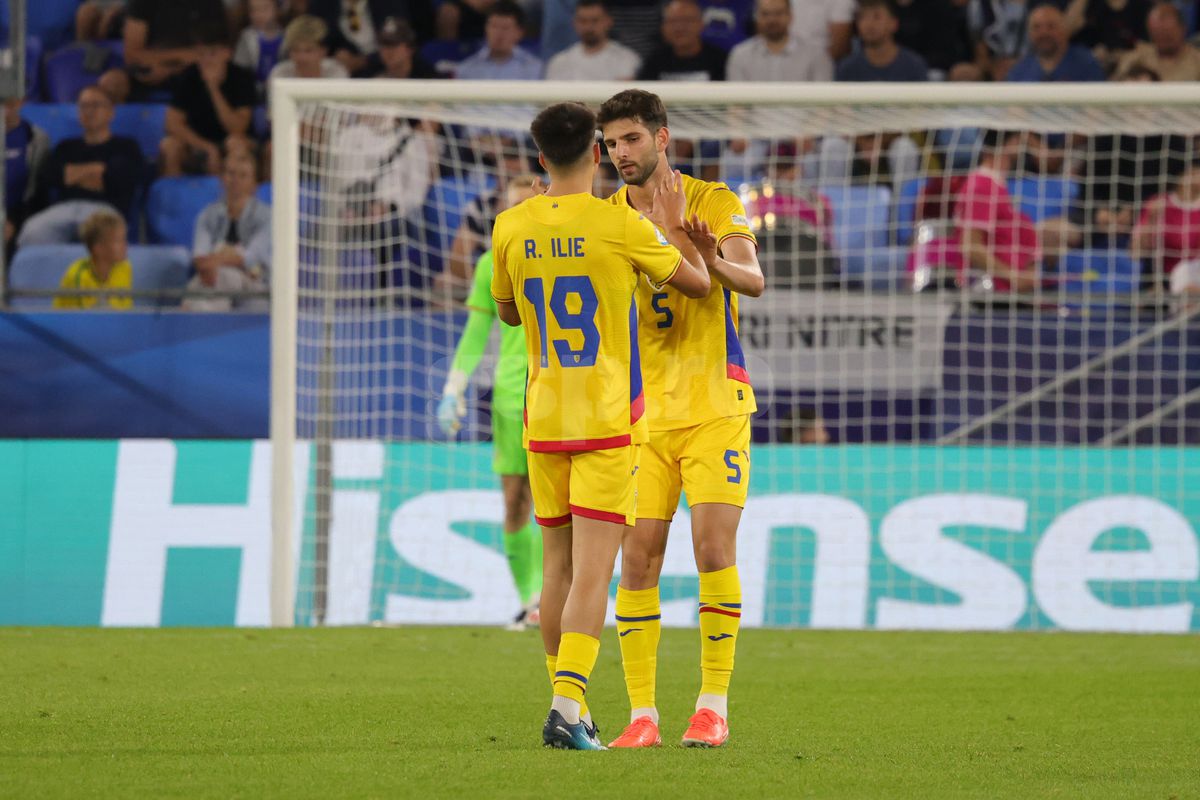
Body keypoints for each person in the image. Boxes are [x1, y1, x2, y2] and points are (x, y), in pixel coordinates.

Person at [490, 101, 710, 750]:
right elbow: (696, 286)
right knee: (593, 575)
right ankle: (567, 705)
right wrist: (671, 233)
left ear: (539, 160)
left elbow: (506, 314)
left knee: (554, 572)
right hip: (609, 421)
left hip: (544, 417)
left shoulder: (510, 225)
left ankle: (571, 705)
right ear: (595, 153)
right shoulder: (621, 226)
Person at [597, 88, 764, 749]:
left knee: (712, 548)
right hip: (643, 415)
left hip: (717, 404)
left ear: (661, 138)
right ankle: (642, 717)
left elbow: (753, 281)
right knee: (638, 560)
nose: (620, 154)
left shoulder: (714, 201)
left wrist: (710, 256)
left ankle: (712, 705)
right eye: (611, 144)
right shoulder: (604, 218)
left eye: (631, 139)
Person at [438, 176, 545, 629]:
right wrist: (452, 388)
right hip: (509, 398)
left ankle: (569, 598)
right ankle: (532, 600)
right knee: (516, 501)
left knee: (569, 505)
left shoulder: (568, 257)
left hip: (562, 395)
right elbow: (475, 334)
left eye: (523, 207)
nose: (514, 217)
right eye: (509, 208)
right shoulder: (490, 264)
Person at [18, 87, 143, 248]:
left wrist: (72, 175)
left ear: (111, 112)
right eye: (84, 106)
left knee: (102, 240)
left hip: (105, 211)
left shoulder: (126, 146)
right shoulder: (66, 146)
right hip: (64, 209)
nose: (89, 111)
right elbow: (49, 177)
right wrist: (97, 170)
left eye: (96, 105)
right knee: (32, 232)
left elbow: (118, 180)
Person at [182, 151, 271, 312]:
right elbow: (199, 256)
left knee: (221, 278)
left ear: (255, 184)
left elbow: (248, 258)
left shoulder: (267, 218)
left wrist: (214, 261)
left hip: (255, 285)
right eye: (230, 173)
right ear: (222, 179)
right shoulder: (207, 215)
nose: (235, 180)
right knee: (194, 290)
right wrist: (213, 263)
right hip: (211, 278)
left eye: (243, 175)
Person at [99, 0, 228, 103]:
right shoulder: (141, 2)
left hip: (195, 68)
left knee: (214, 73)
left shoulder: (211, 2)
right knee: (111, 81)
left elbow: (218, 50)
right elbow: (132, 54)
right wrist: (182, 56)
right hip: (151, 66)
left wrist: (170, 68)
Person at [161, 38, 257, 177]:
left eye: (212, 53)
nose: (206, 60)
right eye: (201, 54)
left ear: (227, 53)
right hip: (197, 140)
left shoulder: (242, 78)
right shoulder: (189, 76)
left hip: (233, 139)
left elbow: (237, 128)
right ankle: (173, 197)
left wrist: (213, 88)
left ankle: (228, 195)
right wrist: (207, 147)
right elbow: (172, 123)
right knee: (170, 146)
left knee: (235, 144)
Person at [309, 0, 437, 75]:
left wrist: (365, 61)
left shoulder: (389, 3)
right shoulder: (322, 4)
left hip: (383, 66)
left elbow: (403, 37)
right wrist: (338, 56)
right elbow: (316, 39)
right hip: (338, 70)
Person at [1131, 160, 1200, 294]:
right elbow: (1136, 252)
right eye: (1195, 172)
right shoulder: (1158, 204)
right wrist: (1151, 220)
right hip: (1162, 280)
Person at [727, 0, 832, 81]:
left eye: (778, 13)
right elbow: (736, 105)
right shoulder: (740, 55)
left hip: (801, 110)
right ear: (756, 17)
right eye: (765, 14)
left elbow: (825, 104)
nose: (772, 20)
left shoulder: (816, 55)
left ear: (790, 16)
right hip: (755, 110)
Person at [53, 210, 133, 310]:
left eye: (124, 239)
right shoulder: (77, 276)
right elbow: (84, 322)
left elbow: (124, 314)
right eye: (118, 241)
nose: (125, 245)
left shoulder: (125, 268)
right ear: (98, 248)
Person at [545, 0, 641, 81]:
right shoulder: (559, 62)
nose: (588, 27)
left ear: (608, 21)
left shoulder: (627, 59)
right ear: (574, 23)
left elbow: (625, 101)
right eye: (583, 21)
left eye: (595, 21)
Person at [1006, 4, 1105, 82]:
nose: (1044, 33)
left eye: (1051, 26)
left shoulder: (1087, 64)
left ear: (1063, 29)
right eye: (1036, 27)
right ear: (1029, 33)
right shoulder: (1019, 72)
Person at [836, 0, 929, 81]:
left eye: (877, 17)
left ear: (894, 23)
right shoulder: (847, 69)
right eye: (862, 17)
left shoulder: (914, 66)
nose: (869, 24)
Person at [637, 0, 728, 82]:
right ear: (663, 27)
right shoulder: (653, 62)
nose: (679, 28)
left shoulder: (720, 61)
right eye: (672, 21)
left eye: (687, 20)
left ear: (701, 24)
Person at [455, 2, 544, 80]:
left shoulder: (535, 69)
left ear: (519, 33)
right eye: (494, 26)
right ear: (486, 29)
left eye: (505, 28)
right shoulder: (466, 69)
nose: (498, 33)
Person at [4, 98, 50, 250]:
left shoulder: (37, 138)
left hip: (19, 214)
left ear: (21, 101)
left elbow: (37, 191)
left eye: (9, 100)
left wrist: (13, 221)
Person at [1113, 2, 1200, 81]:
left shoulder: (1197, 62)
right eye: (1157, 34)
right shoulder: (1136, 59)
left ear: (1183, 29)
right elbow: (1114, 88)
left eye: (1167, 34)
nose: (1163, 39)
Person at [268, 15, 352, 82]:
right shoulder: (280, 75)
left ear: (323, 51)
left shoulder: (336, 73)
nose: (301, 57)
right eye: (295, 50)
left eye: (308, 51)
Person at [234, 0, 286, 102]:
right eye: (253, 10)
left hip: (281, 92)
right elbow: (239, 69)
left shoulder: (286, 37)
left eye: (264, 9)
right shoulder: (246, 37)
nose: (259, 14)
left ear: (277, 9)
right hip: (253, 94)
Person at [356, 16, 438, 78]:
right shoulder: (370, 74)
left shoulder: (427, 78)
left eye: (393, 44)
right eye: (383, 44)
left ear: (409, 48)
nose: (387, 50)